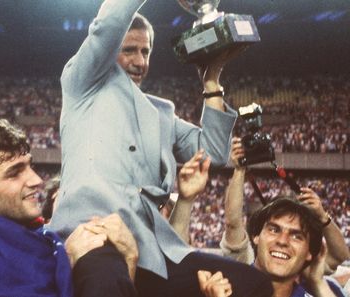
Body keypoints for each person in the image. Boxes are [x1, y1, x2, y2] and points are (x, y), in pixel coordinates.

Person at [48, 0, 274, 296]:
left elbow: (214, 153)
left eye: (146, 51)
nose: (140, 61)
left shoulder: (160, 112)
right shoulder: (83, 82)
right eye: (128, 50)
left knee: (253, 284)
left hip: (153, 249)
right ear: (108, 50)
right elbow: (109, 23)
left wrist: (212, 80)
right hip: (94, 235)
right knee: (107, 284)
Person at [0, 117, 138, 297]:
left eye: (29, 166)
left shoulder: (27, 239)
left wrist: (64, 256)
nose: (36, 180)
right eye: (14, 173)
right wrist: (126, 264)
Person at [219, 137, 348, 296]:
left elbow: (340, 256)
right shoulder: (234, 276)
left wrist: (322, 217)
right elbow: (233, 224)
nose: (282, 241)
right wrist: (239, 171)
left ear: (309, 253)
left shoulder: (320, 287)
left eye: (296, 236)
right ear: (256, 237)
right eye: (274, 230)